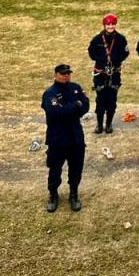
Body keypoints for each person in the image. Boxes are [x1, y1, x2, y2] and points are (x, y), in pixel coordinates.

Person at [41, 64, 90, 212]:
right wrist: (76, 105)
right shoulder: (50, 93)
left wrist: (72, 107)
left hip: (76, 137)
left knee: (76, 168)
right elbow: (56, 113)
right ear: (55, 75)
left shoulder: (75, 87)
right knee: (55, 169)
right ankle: (53, 194)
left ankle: (73, 194)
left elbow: (86, 106)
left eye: (68, 73)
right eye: (63, 74)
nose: (66, 76)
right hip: (58, 138)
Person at [87, 13, 130, 135]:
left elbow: (126, 53)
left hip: (114, 74)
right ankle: (99, 125)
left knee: (112, 100)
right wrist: (101, 61)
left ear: (115, 24)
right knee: (100, 100)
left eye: (112, 24)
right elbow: (91, 53)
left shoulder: (121, 39)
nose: (110, 26)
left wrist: (116, 61)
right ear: (104, 25)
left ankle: (109, 124)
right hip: (100, 74)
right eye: (108, 24)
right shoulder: (97, 39)